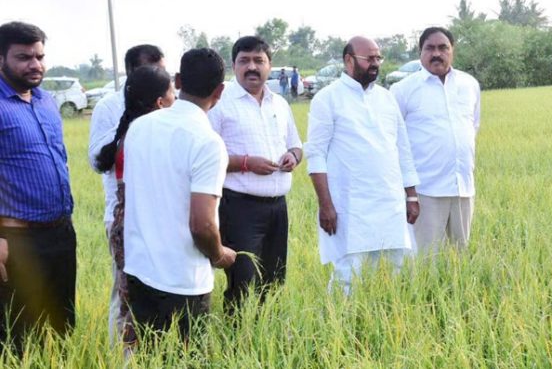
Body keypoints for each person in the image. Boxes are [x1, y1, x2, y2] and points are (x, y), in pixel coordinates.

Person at [122, 48, 236, 341]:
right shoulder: (208, 143)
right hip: (184, 279)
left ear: (178, 80)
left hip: (139, 270)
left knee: (148, 357)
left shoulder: (139, 127)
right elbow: (202, 224)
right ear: (220, 91)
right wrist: (219, 254)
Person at [304, 36, 420, 294]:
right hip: (350, 204)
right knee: (348, 275)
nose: (376, 63)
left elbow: (402, 149)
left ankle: (388, 323)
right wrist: (326, 205)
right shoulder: (327, 98)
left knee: (396, 270)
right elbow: (316, 155)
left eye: (378, 58)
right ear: (349, 60)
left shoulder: (387, 98)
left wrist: (411, 196)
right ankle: (338, 330)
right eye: (370, 58)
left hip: (389, 202)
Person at [207, 36, 302, 316]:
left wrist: (293, 157)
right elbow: (207, 158)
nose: (252, 67)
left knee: (274, 279)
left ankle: (266, 334)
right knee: (243, 280)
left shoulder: (280, 104)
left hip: (277, 207)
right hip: (239, 207)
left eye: (258, 61)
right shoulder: (220, 105)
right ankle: (237, 340)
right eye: (244, 61)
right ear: (233, 66)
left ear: (269, 66)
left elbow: (296, 145)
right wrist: (247, 163)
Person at [0, 21, 77, 353]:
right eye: (23, 57)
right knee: (17, 333)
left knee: (62, 323)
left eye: (39, 56)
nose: (35, 65)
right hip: (16, 241)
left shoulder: (45, 101)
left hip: (60, 233)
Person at [87, 44, 165, 342]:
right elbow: (98, 160)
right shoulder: (110, 106)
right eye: (152, 70)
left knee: (158, 293)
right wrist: (130, 127)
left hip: (162, 217)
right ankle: (121, 356)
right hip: (125, 217)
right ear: (133, 72)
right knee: (125, 294)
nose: (161, 77)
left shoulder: (166, 104)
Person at [391, 27, 481, 254]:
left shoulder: (469, 84)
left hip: (463, 188)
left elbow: (472, 127)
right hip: (425, 191)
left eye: (443, 48)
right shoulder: (403, 90)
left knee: (460, 259)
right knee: (424, 262)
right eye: (429, 48)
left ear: (452, 51)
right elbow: (394, 142)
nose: (436, 54)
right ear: (420, 52)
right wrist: (408, 193)